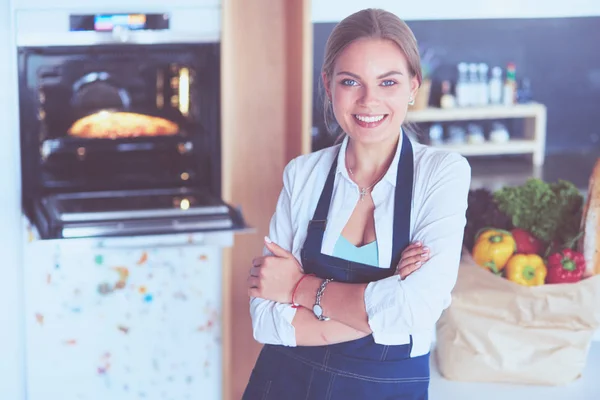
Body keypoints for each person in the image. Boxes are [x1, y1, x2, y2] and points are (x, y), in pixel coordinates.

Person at [243, 8, 471, 400]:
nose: (370, 101)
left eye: (388, 82)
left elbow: (416, 311)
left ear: (413, 87)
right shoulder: (303, 175)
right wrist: (383, 301)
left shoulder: (442, 174)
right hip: (284, 383)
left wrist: (298, 287)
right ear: (328, 84)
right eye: (351, 82)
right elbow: (266, 320)